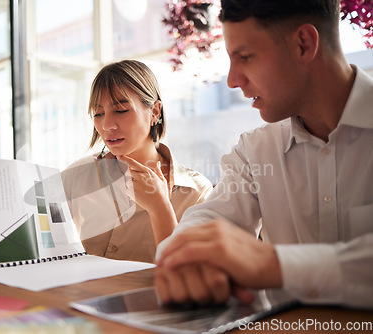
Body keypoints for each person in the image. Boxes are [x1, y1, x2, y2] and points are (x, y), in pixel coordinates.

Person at [155, 0, 373, 309]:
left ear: (303, 44)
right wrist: (187, 258)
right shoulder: (254, 151)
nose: (232, 81)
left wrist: (274, 265)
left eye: (245, 57)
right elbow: (208, 218)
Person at [62, 60, 212, 263]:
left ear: (155, 112)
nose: (106, 126)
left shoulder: (196, 193)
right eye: (98, 114)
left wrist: (160, 209)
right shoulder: (76, 176)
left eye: (121, 110)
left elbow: (192, 278)